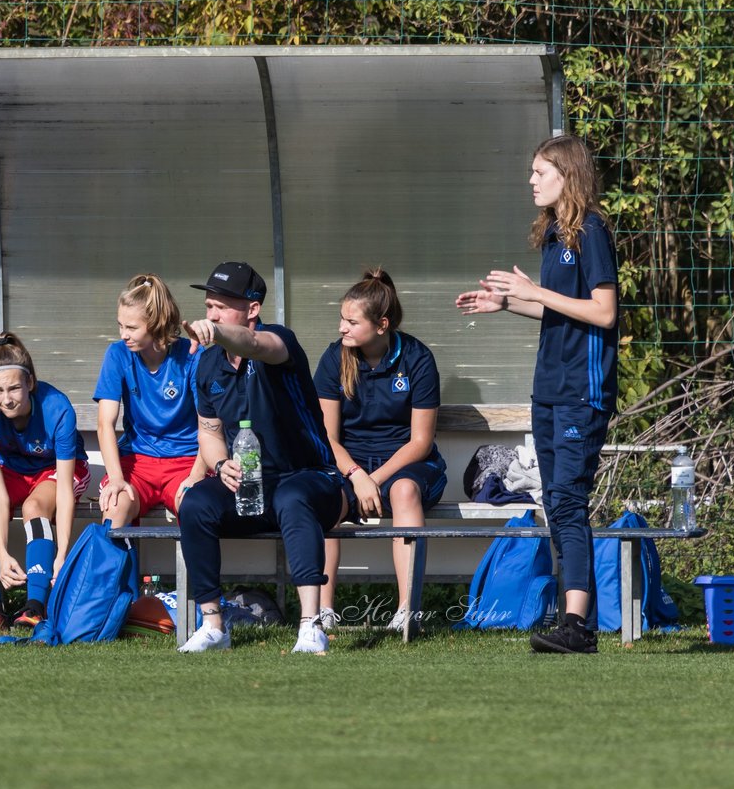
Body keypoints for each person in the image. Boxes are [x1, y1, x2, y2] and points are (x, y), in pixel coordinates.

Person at [456, 134, 618, 655]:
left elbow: (603, 311)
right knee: (557, 500)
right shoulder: (555, 233)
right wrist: (509, 305)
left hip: (581, 391)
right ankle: (572, 619)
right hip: (549, 390)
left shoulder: (590, 230)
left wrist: (535, 293)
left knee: (569, 498)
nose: (531, 180)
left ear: (566, 175)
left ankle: (578, 624)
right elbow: (560, 309)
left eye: (539, 171)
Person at [177, 262, 348, 654]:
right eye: (208, 307)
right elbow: (209, 431)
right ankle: (214, 625)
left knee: (293, 497)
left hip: (313, 479)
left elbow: (252, 345)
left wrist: (217, 332)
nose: (212, 314)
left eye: (222, 306)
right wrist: (220, 465)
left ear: (252, 309)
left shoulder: (277, 341)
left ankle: (311, 625)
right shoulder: (206, 364)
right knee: (196, 502)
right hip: (252, 487)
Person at [312, 269, 447, 633]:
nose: (342, 327)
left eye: (352, 321)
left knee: (404, 490)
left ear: (382, 324)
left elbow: (419, 443)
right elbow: (326, 438)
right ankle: (322, 612)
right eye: (341, 318)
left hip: (406, 466)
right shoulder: (333, 359)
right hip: (350, 465)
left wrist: (374, 480)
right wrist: (357, 477)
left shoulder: (418, 359)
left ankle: (408, 613)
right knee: (319, 495)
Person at [0, 333, 90, 631]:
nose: (7, 398)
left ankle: (35, 606)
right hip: (12, 471)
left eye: (15, 388)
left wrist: (63, 553)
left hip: (57, 472)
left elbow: (66, 490)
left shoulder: (58, 408)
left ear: (30, 383)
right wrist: (2, 553)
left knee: (34, 506)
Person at [94, 273, 206, 530]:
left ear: (157, 324)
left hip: (186, 461)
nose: (123, 334)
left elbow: (210, 423)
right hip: (137, 461)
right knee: (114, 507)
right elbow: (104, 424)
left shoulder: (192, 355)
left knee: (196, 509)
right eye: (120, 325)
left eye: (131, 328)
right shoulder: (117, 354)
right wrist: (116, 479)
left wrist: (197, 476)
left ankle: (197, 572)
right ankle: (120, 572)